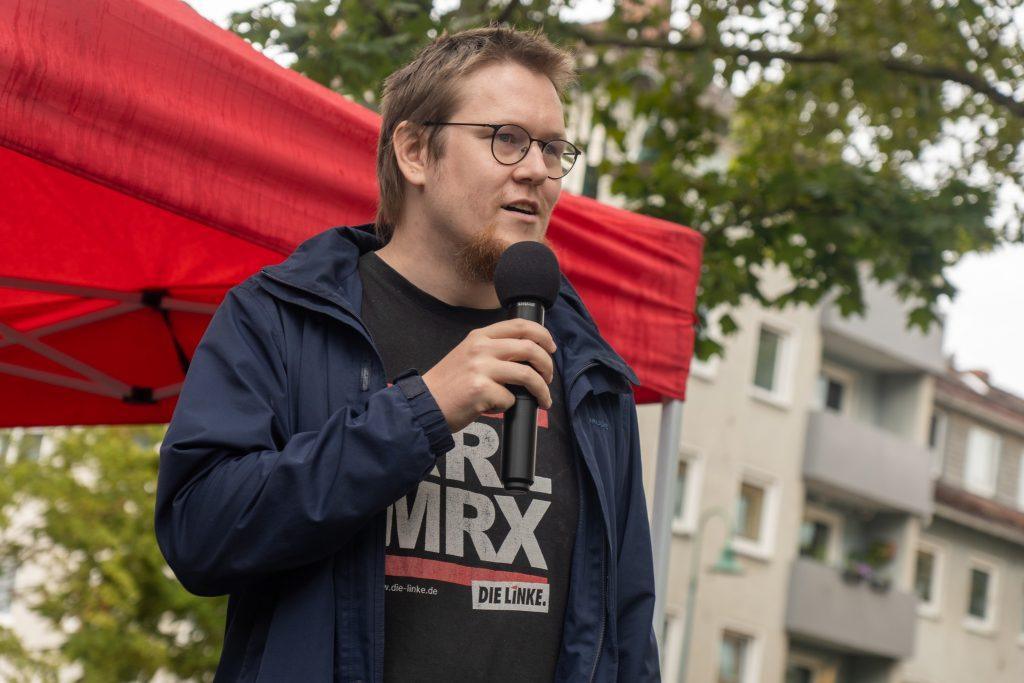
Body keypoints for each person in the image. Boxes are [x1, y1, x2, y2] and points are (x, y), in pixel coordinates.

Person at [155, 26, 659, 683]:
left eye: (553, 148)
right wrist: (420, 412)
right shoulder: (280, 317)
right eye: (506, 138)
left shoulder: (590, 370)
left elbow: (627, 630)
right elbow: (199, 532)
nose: (537, 169)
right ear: (416, 151)